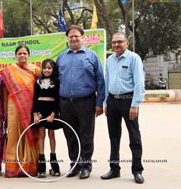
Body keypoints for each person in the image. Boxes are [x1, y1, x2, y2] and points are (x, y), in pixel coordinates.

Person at [56, 25, 105, 179]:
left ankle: (85, 165)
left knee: (86, 134)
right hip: (65, 103)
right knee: (70, 134)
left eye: (77, 36)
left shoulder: (91, 56)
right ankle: (74, 164)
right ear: (67, 39)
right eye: (71, 36)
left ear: (82, 38)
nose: (74, 39)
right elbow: (56, 81)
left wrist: (99, 103)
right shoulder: (61, 57)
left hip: (86, 102)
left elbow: (101, 81)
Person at [101, 33, 145, 184]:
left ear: (126, 43)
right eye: (114, 42)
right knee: (114, 137)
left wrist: (135, 104)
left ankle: (137, 170)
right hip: (112, 102)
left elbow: (139, 82)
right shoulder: (110, 60)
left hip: (128, 102)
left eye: (120, 42)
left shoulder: (134, 58)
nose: (116, 45)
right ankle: (114, 169)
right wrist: (106, 103)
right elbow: (107, 82)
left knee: (134, 137)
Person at [0, 44, 41, 178]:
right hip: (13, 107)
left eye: (25, 53)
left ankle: (30, 166)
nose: (22, 55)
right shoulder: (10, 70)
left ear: (29, 55)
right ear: (15, 55)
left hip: (30, 107)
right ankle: (13, 167)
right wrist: (5, 110)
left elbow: (40, 89)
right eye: (20, 53)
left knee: (29, 133)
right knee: (14, 134)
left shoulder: (35, 70)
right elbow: (4, 92)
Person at [32, 59, 62, 178]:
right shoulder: (38, 82)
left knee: (51, 135)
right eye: (45, 68)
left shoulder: (57, 82)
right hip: (40, 109)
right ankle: (41, 161)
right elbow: (34, 98)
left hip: (51, 110)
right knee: (41, 134)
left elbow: (57, 99)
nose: (47, 70)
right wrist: (34, 113)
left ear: (53, 69)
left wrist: (53, 114)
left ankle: (54, 160)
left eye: (49, 68)